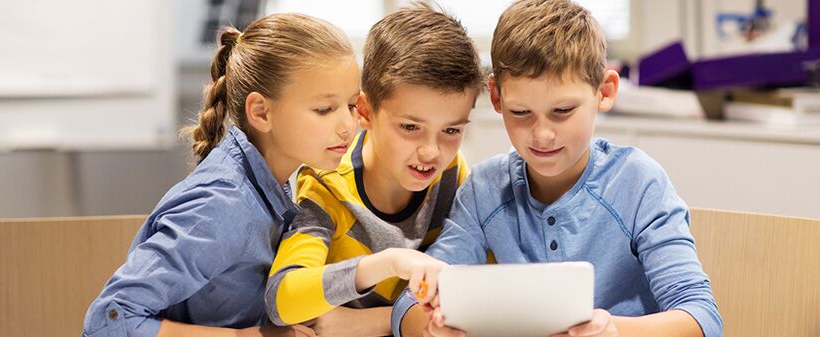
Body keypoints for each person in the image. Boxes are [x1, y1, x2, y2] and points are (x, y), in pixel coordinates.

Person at [393, 1, 723, 337]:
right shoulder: (485, 189)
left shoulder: (637, 183)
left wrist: (614, 331)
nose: (542, 135)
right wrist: (429, 327)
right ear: (496, 98)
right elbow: (410, 301)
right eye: (521, 112)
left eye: (563, 110)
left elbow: (703, 319)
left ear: (605, 91)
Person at [82, 13, 361, 337]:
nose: (347, 125)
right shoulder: (223, 204)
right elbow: (111, 318)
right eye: (324, 110)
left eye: (352, 106)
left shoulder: (282, 183)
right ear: (261, 112)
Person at [264, 4, 484, 337]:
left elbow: (476, 287)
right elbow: (282, 300)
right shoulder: (325, 186)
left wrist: (373, 321)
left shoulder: (452, 172)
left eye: (451, 131)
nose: (431, 151)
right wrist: (388, 263)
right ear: (365, 112)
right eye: (410, 127)